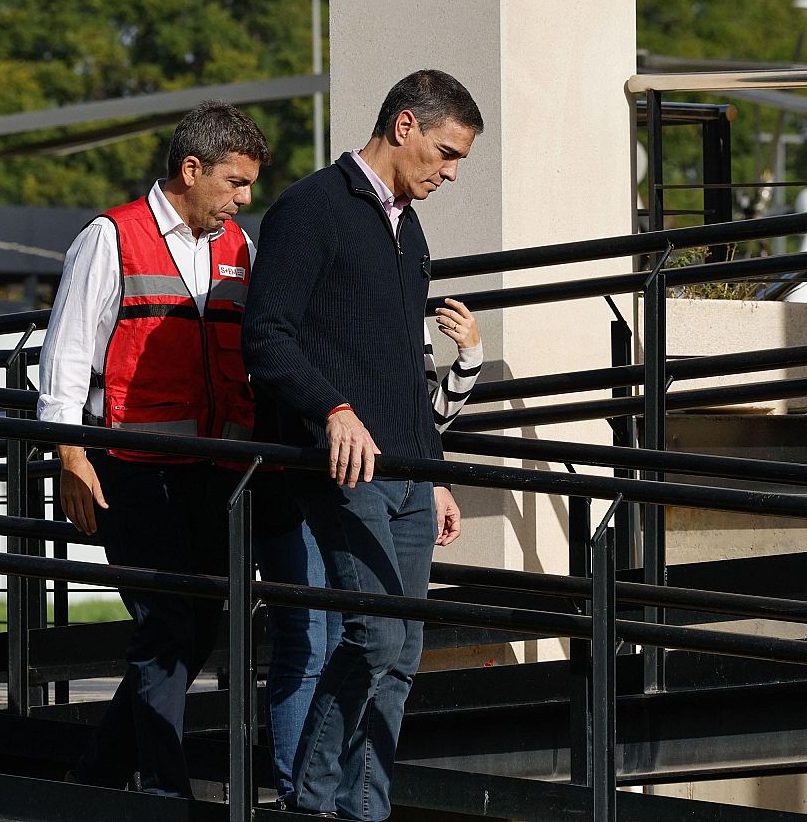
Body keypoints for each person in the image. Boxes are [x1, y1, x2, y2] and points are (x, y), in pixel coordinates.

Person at [243, 69, 484, 820]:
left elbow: (407, 369)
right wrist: (333, 409)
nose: (449, 173)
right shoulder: (309, 209)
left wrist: (436, 474)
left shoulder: (408, 228)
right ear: (404, 125)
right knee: (375, 642)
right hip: (346, 467)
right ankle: (310, 806)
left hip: (409, 472)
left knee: (404, 657)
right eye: (445, 153)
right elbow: (266, 337)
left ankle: (365, 812)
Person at [37, 101, 269, 798]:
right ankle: (165, 793)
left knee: (197, 627)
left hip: (216, 474)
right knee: (169, 624)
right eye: (235, 182)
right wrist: (71, 459)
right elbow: (67, 357)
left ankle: (97, 776)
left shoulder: (241, 249)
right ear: (190, 170)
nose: (245, 199)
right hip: (130, 474)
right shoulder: (110, 238)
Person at [255, 301, 483, 807]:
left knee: (386, 650)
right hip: (311, 472)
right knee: (319, 641)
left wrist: (470, 358)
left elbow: (417, 417)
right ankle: (305, 798)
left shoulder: (401, 292)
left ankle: (353, 804)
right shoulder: (312, 259)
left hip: (389, 482)